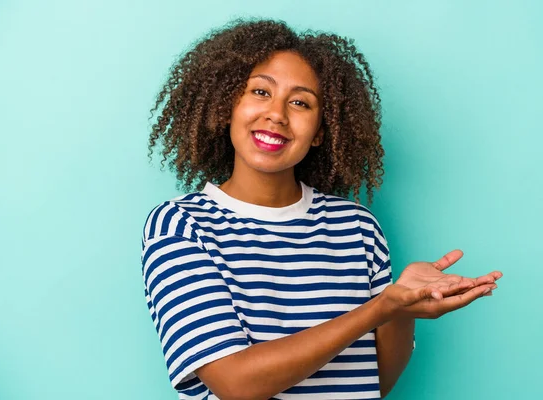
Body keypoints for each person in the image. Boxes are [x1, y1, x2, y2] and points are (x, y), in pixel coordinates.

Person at [141, 18, 502, 400]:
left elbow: (376, 382)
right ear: (226, 106)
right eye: (260, 92)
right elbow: (236, 383)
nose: (277, 114)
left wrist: (402, 311)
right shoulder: (180, 226)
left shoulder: (358, 228)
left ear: (320, 133)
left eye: (300, 102)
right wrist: (380, 309)